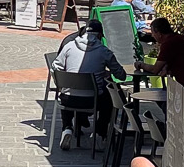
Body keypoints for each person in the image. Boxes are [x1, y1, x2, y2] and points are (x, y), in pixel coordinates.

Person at [51, 15, 128, 149]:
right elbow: (121, 75)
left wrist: (65, 78)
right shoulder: (104, 51)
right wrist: (106, 73)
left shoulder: (69, 46)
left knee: (68, 92)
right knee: (110, 98)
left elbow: (55, 67)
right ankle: (99, 131)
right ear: (99, 35)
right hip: (93, 100)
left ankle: (67, 127)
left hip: (68, 99)